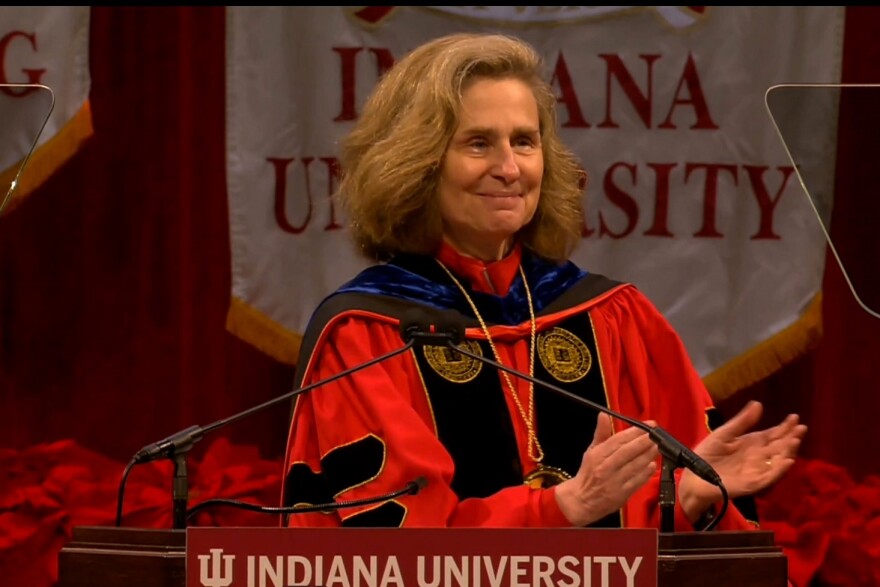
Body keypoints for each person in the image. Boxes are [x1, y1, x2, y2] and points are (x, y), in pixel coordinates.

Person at [281, 32, 807, 530]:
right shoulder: (369, 333)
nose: (510, 168)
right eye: (479, 143)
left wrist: (691, 496)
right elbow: (396, 544)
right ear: (416, 164)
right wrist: (562, 507)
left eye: (525, 142)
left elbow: (664, 535)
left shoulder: (611, 317)